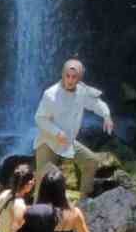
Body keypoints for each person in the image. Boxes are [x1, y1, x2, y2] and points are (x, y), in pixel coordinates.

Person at [33, 58, 115, 197]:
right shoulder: (50, 94)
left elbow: (97, 104)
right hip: (48, 141)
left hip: (68, 141)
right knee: (43, 182)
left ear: (80, 77)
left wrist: (106, 115)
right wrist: (57, 132)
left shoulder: (82, 91)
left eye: (74, 77)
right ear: (63, 75)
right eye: (67, 76)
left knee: (91, 161)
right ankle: (35, 214)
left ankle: (83, 203)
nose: (70, 80)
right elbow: (40, 119)